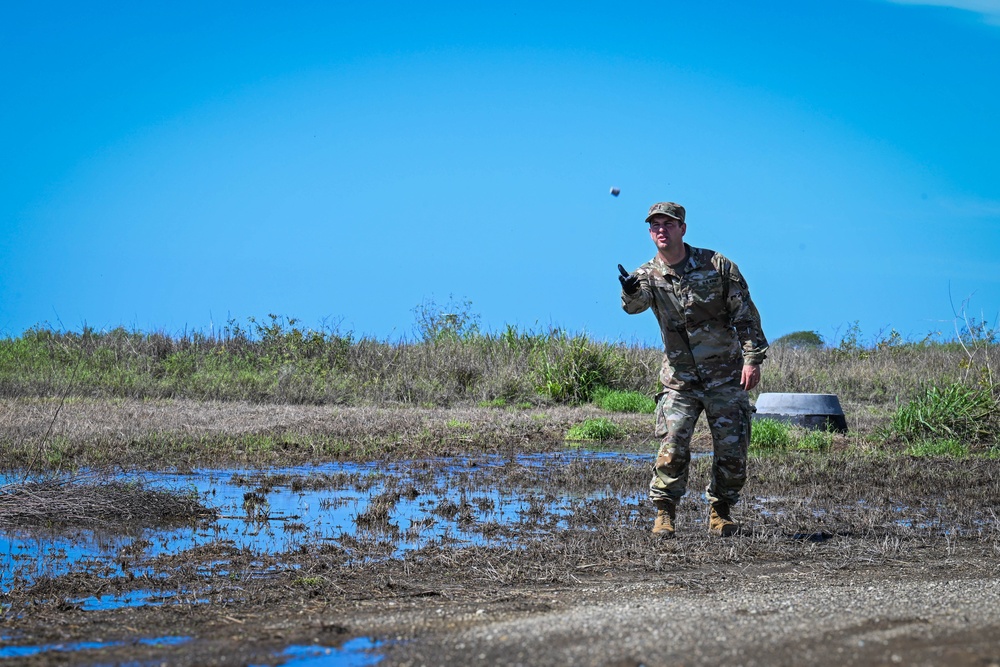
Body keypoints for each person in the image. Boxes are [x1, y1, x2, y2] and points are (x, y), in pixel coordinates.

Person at [618, 201, 768, 537]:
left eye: (668, 224)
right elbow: (635, 305)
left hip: (726, 376)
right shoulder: (646, 275)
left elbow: (745, 314)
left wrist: (752, 359)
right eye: (655, 225)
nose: (661, 230)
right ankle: (665, 514)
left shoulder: (717, 266)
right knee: (672, 447)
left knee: (732, 450)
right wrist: (628, 289)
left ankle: (721, 512)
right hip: (679, 380)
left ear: (682, 228)